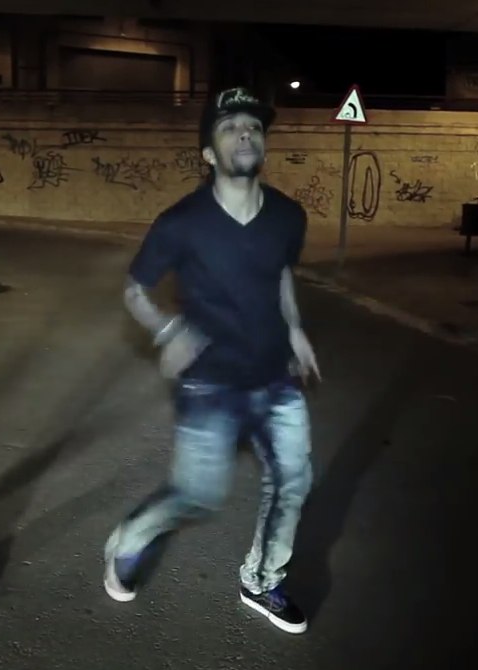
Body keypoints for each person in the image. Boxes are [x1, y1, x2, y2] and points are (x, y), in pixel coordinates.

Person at [102, 86, 320, 634]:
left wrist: (295, 329)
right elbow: (135, 290)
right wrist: (168, 330)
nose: (245, 134)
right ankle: (128, 539)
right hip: (209, 385)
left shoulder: (288, 217)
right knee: (197, 498)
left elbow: (281, 274)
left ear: (264, 143)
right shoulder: (181, 223)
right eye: (229, 127)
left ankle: (261, 580)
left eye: (253, 126)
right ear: (208, 152)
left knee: (292, 482)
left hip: (276, 378)